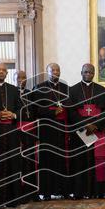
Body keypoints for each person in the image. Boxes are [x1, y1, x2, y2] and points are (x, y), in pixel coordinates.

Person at [68, 63, 105, 198]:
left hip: (96, 130)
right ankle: (79, 192)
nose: (88, 74)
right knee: (80, 161)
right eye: (86, 72)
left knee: (98, 161)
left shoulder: (101, 90)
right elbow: (71, 112)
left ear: (94, 74)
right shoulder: (72, 90)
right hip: (80, 131)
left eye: (91, 72)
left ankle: (99, 191)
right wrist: (85, 125)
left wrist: (95, 125)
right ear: (81, 73)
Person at [0, 63, 23, 208]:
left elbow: (21, 109)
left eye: (3, 70)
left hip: (11, 131)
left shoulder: (13, 89)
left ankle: (13, 199)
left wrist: (13, 115)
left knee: (13, 163)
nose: (1, 72)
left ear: (7, 73)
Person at [33, 63, 73, 199]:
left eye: (57, 70)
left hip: (62, 129)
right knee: (47, 160)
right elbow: (36, 109)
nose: (55, 72)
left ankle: (64, 191)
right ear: (47, 72)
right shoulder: (39, 88)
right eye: (52, 70)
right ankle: (46, 192)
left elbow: (71, 107)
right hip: (47, 129)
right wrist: (53, 112)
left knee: (62, 160)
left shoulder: (66, 88)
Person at [16, 69, 39, 204]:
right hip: (18, 133)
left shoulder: (31, 93)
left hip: (31, 132)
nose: (21, 80)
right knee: (20, 162)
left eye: (23, 78)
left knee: (32, 161)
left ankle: (33, 192)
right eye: (18, 78)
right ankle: (22, 193)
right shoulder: (12, 93)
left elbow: (36, 112)